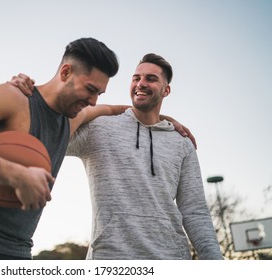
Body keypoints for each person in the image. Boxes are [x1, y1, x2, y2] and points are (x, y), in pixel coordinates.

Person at [0, 37, 121, 260]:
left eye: (99, 94)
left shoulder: (72, 119)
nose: (93, 101)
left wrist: (159, 119)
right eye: (90, 89)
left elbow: (111, 109)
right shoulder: (13, 97)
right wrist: (18, 176)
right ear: (65, 72)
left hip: (18, 247)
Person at [12, 54, 222, 260]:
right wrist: (25, 97)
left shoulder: (182, 143)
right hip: (109, 258)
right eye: (136, 78)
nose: (141, 83)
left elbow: (195, 212)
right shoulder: (99, 127)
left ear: (166, 90)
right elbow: (46, 134)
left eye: (151, 79)